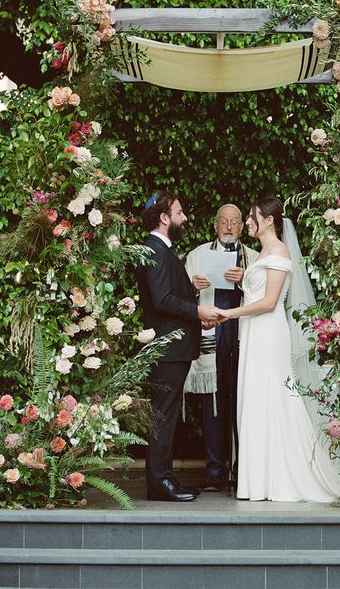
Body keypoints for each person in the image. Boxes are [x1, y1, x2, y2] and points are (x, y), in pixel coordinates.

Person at [215, 197, 340, 502]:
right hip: (254, 334)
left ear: (269, 221)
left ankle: (279, 478)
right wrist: (242, 283)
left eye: (252, 217)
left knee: (272, 399)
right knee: (256, 400)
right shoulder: (264, 253)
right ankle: (258, 481)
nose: (247, 222)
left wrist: (227, 314)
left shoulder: (279, 252)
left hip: (268, 335)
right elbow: (257, 291)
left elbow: (269, 302)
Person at [136, 190, 219, 502]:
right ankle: (159, 482)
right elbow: (162, 300)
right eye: (180, 212)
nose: (184, 218)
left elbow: (171, 296)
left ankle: (164, 478)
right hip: (167, 349)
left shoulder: (161, 249)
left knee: (165, 414)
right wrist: (198, 311)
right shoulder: (155, 249)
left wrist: (196, 309)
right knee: (163, 415)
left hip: (173, 348)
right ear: (164, 217)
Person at [184, 204, 258, 490]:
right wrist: (193, 287)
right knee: (213, 404)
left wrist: (245, 281)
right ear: (215, 226)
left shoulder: (252, 258)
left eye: (234, 222)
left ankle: (243, 471)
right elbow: (180, 297)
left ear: (241, 227)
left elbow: (266, 296)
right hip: (211, 333)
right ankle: (215, 472)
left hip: (242, 333)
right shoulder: (197, 255)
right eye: (223, 222)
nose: (229, 227)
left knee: (243, 402)